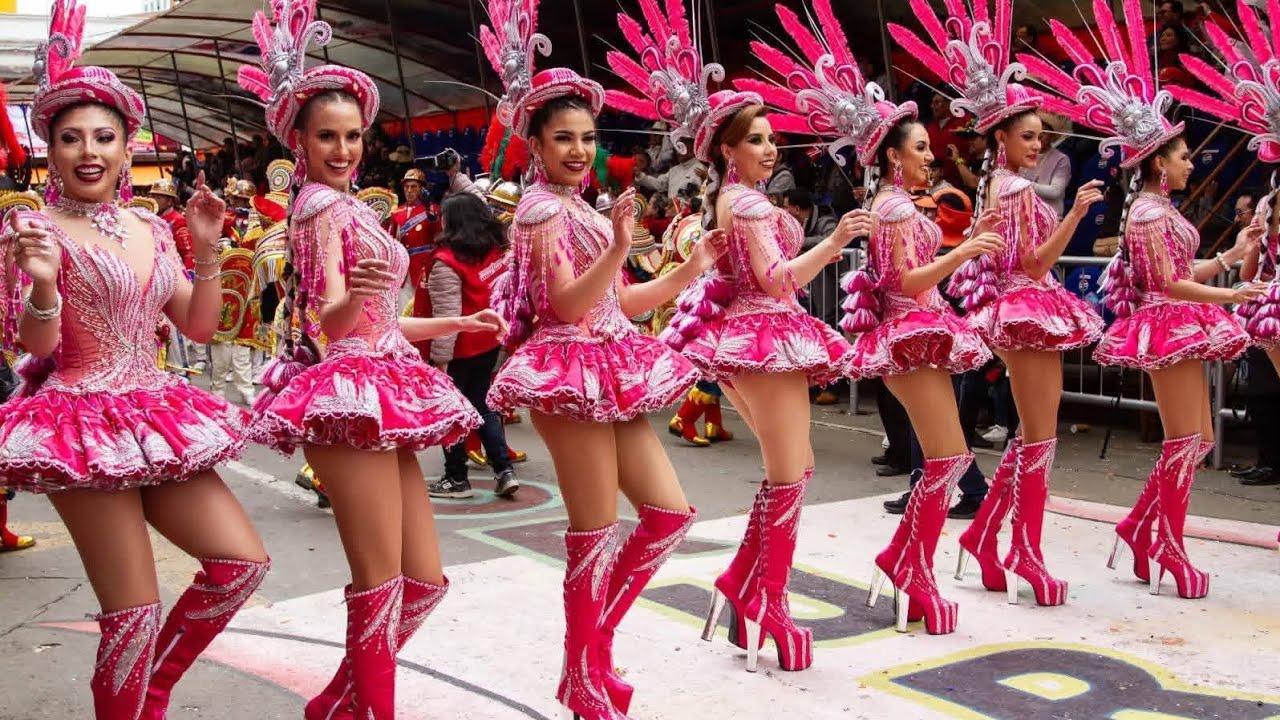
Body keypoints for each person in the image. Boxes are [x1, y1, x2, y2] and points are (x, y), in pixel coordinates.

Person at [0, 3, 269, 715]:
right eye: (70, 138)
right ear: (50, 151)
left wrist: (208, 254)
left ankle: (148, 694)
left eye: (104, 137)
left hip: (155, 411)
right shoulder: (31, 226)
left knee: (241, 565)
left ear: (128, 149)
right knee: (133, 612)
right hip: (80, 420)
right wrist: (48, 285)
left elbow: (199, 326)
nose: (89, 150)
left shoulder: (153, 225)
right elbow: (37, 347)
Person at [238, 3, 503, 717]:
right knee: (383, 583)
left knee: (422, 582)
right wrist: (355, 295)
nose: (346, 148)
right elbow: (331, 320)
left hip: (383, 378)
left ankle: (335, 700)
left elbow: (382, 321)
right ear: (298, 139)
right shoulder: (320, 209)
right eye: (328, 135)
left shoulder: (355, 209)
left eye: (353, 135)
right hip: (349, 393)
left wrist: (457, 317)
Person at [485, 2, 726, 716]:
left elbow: (618, 302)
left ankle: (586, 655)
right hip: (567, 372)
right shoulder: (541, 212)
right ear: (534, 144)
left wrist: (690, 269)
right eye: (563, 138)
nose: (579, 150)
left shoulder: (582, 209)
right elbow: (564, 304)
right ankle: (586, 670)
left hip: (610, 364)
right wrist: (621, 248)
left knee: (668, 515)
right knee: (592, 535)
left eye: (587, 138)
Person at [1030, 1, 1258, 600]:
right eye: (1182, 155)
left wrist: (1234, 256)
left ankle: (1140, 528)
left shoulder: (1162, 211)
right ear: (1160, 162)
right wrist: (1230, 291)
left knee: (1196, 441)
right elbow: (1168, 284)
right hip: (1170, 322)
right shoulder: (1153, 213)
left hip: (1181, 319)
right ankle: (1165, 546)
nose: (1190, 162)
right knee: (1188, 442)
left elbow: (1187, 268)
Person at [673, 0, 869, 669]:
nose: (769, 146)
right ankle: (769, 604)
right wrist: (836, 242)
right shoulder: (749, 202)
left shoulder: (735, 201)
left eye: (769, 136)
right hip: (764, 334)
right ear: (728, 148)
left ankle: (741, 583)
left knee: (795, 469)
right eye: (755, 138)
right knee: (789, 475)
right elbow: (777, 278)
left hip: (749, 337)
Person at [895, 0, 1107, 607]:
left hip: (1026, 308)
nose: (1038, 144)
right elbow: (1035, 263)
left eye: (1042, 135)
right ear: (1002, 138)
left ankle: (991, 538)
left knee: (1033, 435)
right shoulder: (1013, 187)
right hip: (1028, 305)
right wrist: (1075, 215)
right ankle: (1023, 552)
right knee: (1039, 436)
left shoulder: (1000, 183)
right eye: (1028, 135)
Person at [426, 193, 518, 499]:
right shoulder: (496, 250)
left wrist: (440, 361)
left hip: (459, 349)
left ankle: (456, 478)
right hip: (490, 342)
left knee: (451, 411)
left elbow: (447, 318)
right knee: (482, 404)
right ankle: (504, 470)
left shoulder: (447, 261)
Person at [388, 168, 439, 291]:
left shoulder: (433, 210)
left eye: (414, 187)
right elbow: (392, 240)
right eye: (406, 187)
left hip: (424, 268)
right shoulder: (396, 213)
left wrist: (430, 212)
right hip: (403, 270)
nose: (409, 191)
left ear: (422, 189)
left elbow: (438, 235)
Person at [1020, 114, 1073, 219]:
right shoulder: (1022, 153)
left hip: (1049, 218)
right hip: (1024, 216)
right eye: (1035, 132)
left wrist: (1022, 184)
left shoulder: (1061, 159)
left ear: (1052, 136)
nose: (1040, 136)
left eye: (1044, 132)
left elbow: (1055, 191)